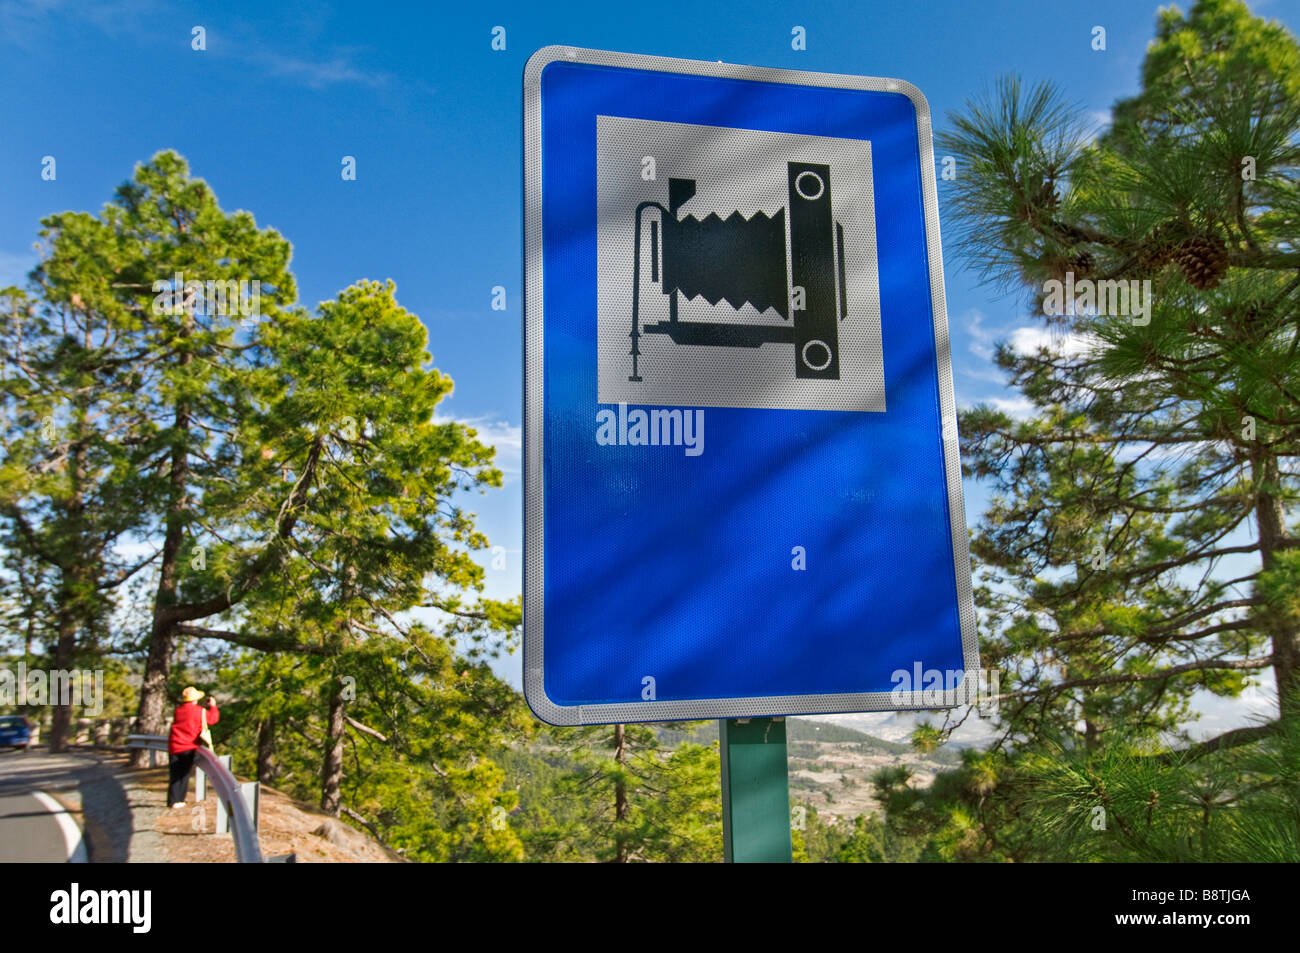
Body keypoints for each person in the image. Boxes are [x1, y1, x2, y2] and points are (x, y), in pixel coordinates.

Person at [167, 686, 218, 808]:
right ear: (195, 699)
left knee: (175, 773)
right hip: (188, 746)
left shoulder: (178, 710)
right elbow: (212, 719)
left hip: (174, 745)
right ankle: (179, 800)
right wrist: (213, 706)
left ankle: (172, 800)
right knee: (184, 774)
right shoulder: (199, 711)